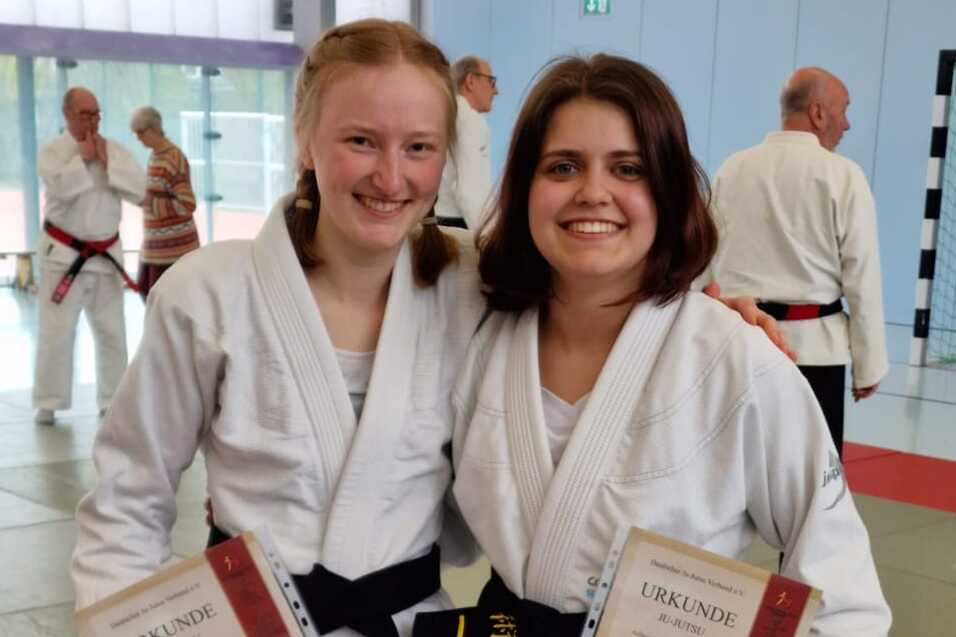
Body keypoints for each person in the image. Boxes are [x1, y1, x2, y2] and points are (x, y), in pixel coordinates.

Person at [414, 55, 890, 636]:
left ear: (667, 190)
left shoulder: (736, 363)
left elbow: (846, 600)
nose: (593, 192)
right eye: (563, 166)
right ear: (524, 187)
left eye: (629, 169)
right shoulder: (477, 339)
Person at [71, 20, 483, 637]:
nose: (392, 178)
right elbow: (128, 498)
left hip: (408, 621)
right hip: (248, 623)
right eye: (362, 140)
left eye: (419, 147)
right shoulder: (208, 292)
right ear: (304, 142)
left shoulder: (471, 289)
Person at [706, 67, 888, 457]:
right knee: (814, 484)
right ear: (818, 113)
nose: (847, 124)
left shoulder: (732, 168)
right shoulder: (843, 176)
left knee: (734, 471)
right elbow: (862, 277)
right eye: (844, 110)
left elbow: (703, 260)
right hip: (814, 357)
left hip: (739, 348)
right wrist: (869, 365)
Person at [33, 87, 145, 426]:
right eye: (85, 114)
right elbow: (60, 191)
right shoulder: (54, 152)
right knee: (57, 332)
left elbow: (140, 191)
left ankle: (112, 399)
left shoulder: (114, 150)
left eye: (96, 114)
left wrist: (107, 163)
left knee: (112, 331)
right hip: (64, 257)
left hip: (105, 256)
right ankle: (48, 402)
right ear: (68, 115)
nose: (93, 121)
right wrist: (82, 159)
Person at [129, 106, 200, 300]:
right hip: (156, 248)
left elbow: (187, 205)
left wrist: (149, 203)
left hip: (174, 252)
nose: (138, 139)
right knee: (147, 294)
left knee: (163, 304)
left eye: (140, 133)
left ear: (153, 129)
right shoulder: (155, 156)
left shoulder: (173, 159)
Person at [434, 56, 498, 230]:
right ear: (470, 81)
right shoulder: (469, 120)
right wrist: (488, 237)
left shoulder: (446, 114)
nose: (496, 91)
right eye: (491, 82)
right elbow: (468, 189)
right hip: (461, 224)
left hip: (439, 221)